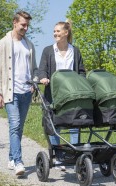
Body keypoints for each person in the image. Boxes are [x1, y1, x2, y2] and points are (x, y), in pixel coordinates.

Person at [0, 11, 38, 176]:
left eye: (27, 25)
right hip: (10, 92)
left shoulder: (29, 44)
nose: (25, 28)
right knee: (15, 124)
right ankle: (19, 162)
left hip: (26, 92)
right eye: (23, 25)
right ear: (14, 22)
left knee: (19, 128)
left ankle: (11, 157)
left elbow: (34, 68)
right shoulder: (3, 43)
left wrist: (34, 81)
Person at [38, 21, 86, 170]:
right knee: (54, 125)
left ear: (66, 33)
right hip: (53, 93)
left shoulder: (75, 51)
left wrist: (82, 83)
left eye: (58, 31)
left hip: (72, 94)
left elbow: (82, 71)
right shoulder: (48, 50)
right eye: (54, 31)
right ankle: (58, 156)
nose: (55, 34)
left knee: (74, 125)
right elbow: (42, 70)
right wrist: (43, 78)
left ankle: (74, 155)